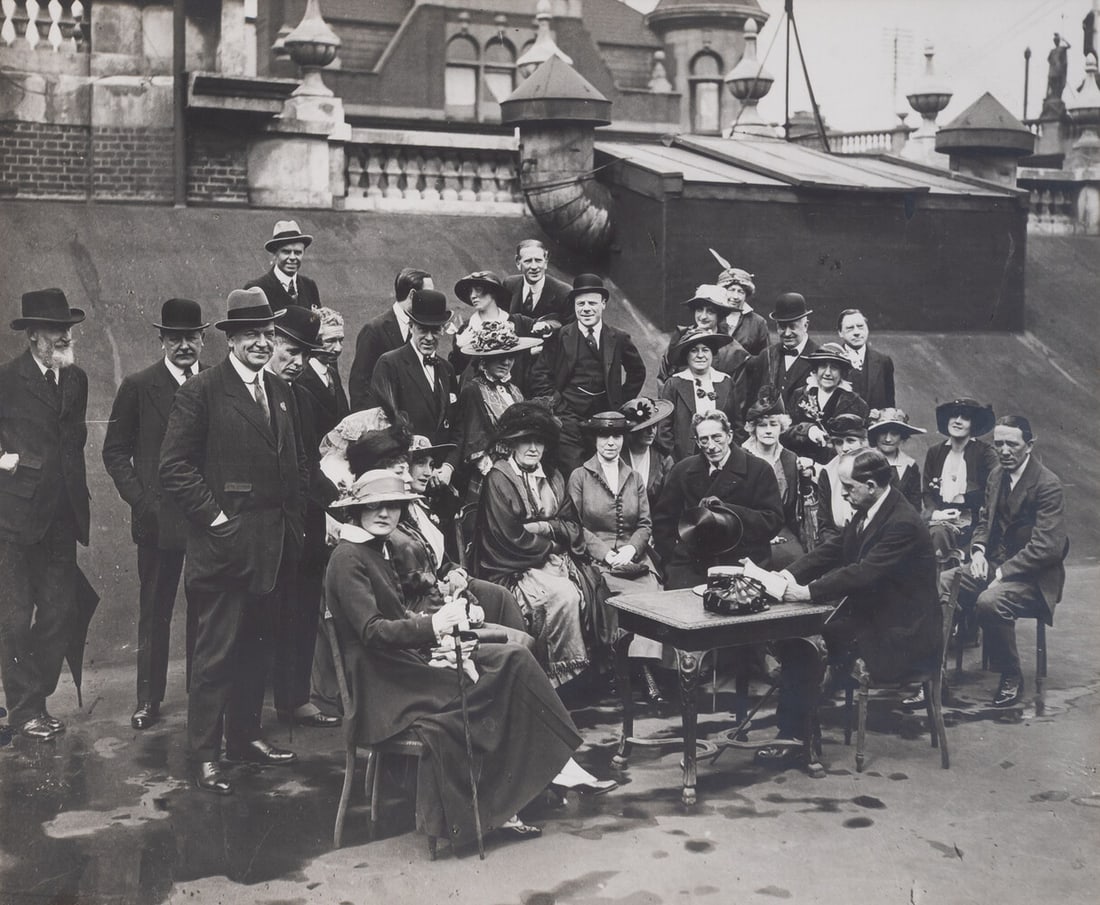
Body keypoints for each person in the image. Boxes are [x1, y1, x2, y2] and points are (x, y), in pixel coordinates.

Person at [324, 470, 614, 850]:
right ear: (356, 510)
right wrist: (433, 627)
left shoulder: (374, 549)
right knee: (495, 681)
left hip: (401, 665)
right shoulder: (348, 558)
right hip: (384, 686)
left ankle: (552, 769)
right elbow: (373, 631)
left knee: (514, 658)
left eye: (392, 506)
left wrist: (443, 627)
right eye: (374, 506)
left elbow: (393, 615)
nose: (384, 514)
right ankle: (511, 798)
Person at [160, 287, 308, 795]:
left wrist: (295, 520)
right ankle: (204, 754)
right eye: (251, 335)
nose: (262, 342)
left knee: (258, 650)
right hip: (224, 549)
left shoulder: (281, 390)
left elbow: (296, 461)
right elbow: (174, 468)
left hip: (273, 547)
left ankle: (245, 739)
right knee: (216, 657)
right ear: (230, 340)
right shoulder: (202, 391)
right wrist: (219, 520)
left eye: (267, 333)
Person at [758, 449, 941, 763]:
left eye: (848, 487)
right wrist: (787, 575)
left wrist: (806, 592)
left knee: (804, 645)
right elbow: (835, 548)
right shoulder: (875, 506)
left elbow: (863, 572)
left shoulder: (902, 523)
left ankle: (796, 734)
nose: (842, 493)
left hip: (902, 635)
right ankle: (801, 724)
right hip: (878, 617)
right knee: (799, 640)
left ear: (870, 485)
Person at [102, 298, 208, 731]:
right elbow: (114, 452)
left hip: (205, 519)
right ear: (162, 340)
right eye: (175, 338)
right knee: (155, 610)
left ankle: (203, 696)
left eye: (191, 337)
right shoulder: (139, 385)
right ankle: (148, 699)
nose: (184, 346)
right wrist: (141, 501)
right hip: (158, 520)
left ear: (203, 339)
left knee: (206, 610)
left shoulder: (215, 382)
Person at [0, 288, 90, 741]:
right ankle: (25, 710)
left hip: (62, 516)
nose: (65, 336)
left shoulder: (77, 379)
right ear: (33, 335)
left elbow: (74, 442)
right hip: (14, 520)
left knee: (61, 613)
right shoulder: (6, 379)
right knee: (15, 619)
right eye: (55, 330)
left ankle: (32, 696)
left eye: (67, 328)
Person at [944, 416, 1067, 708]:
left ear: (1029, 445)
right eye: (998, 444)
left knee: (990, 601)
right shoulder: (996, 475)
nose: (1004, 450)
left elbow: (1047, 547)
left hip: (1034, 579)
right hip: (995, 566)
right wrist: (977, 552)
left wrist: (1001, 572)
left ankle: (1011, 675)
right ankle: (932, 671)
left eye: (1012, 444)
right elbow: (985, 521)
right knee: (944, 581)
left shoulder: (1048, 484)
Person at [471, 401, 592, 687]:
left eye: (539, 442)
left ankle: (582, 675)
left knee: (592, 590)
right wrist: (551, 544)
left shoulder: (554, 477)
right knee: (564, 596)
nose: (533, 448)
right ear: (513, 444)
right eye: (526, 441)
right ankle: (555, 678)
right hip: (513, 565)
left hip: (555, 559)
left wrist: (544, 527)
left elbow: (572, 525)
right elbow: (506, 536)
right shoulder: (498, 478)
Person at [261, 306, 341, 729]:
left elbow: (310, 463)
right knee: (263, 618)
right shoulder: (253, 394)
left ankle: (295, 699)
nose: (297, 363)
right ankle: (248, 715)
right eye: (290, 352)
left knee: (303, 608)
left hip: (306, 522)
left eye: (304, 355)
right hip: (266, 527)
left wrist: (340, 502)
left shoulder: (303, 398)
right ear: (270, 343)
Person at [567, 412, 666, 703]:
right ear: (595, 439)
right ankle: (617, 667)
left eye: (617, 436)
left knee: (651, 592)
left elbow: (645, 524)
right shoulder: (580, 476)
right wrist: (606, 554)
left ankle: (644, 668)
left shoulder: (634, 477)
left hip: (633, 557)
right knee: (606, 594)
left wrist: (632, 549)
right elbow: (575, 525)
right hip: (596, 558)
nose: (611, 442)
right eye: (604, 436)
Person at [528, 273, 646, 475]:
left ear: (603, 304)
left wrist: (619, 401)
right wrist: (556, 403)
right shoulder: (560, 336)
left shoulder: (618, 338)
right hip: (568, 418)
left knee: (603, 471)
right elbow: (539, 374)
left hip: (604, 418)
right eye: (580, 304)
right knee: (573, 471)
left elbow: (637, 371)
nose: (586, 309)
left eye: (592, 303)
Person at [652, 411, 784, 589]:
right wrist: (673, 556)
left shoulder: (759, 469)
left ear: (729, 436)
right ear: (697, 442)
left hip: (742, 560)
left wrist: (728, 511)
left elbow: (772, 520)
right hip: (692, 562)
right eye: (704, 440)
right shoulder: (682, 470)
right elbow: (663, 521)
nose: (711, 446)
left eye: (717, 437)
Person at [452, 321, 540, 561]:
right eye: (499, 357)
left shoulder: (515, 391)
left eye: (510, 356)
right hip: (488, 473)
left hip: (518, 469)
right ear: (484, 360)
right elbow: (473, 439)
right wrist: (496, 475)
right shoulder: (473, 390)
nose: (506, 362)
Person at [367, 289, 460, 484]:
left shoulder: (447, 369)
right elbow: (382, 426)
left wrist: (448, 466)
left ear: (443, 329)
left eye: (435, 330)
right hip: (406, 475)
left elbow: (456, 425)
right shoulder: (389, 363)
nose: (429, 337)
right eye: (422, 329)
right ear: (410, 326)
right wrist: (415, 469)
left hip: (441, 477)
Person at [922, 397, 998, 566]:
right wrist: (935, 513)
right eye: (954, 416)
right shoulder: (935, 452)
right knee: (935, 536)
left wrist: (965, 498)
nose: (957, 421)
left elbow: (994, 489)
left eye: (965, 417)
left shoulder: (985, 453)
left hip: (975, 523)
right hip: (940, 521)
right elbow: (927, 492)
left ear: (973, 424)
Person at [348, 267, 433, 410]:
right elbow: (359, 386)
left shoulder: (425, 329)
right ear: (412, 294)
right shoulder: (374, 330)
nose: (432, 300)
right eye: (429, 294)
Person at [658, 327, 744, 462]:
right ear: (686, 355)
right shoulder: (674, 383)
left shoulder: (725, 382)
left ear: (712, 354)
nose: (700, 355)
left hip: (721, 456)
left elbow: (737, 424)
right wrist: (675, 459)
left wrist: (730, 455)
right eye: (694, 350)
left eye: (705, 350)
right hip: (684, 459)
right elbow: (663, 428)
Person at [449, 271, 538, 395]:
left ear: (493, 291)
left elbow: (551, 329)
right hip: (476, 396)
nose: (473, 296)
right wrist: (459, 348)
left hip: (514, 392)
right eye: (470, 291)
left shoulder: (519, 322)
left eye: (478, 290)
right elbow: (455, 369)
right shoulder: (466, 329)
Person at [741, 388, 802, 569]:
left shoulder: (790, 458)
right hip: (746, 530)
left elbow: (790, 510)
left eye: (773, 424)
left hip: (782, 529)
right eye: (762, 425)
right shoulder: (741, 457)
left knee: (796, 560)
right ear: (753, 428)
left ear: (781, 428)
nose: (768, 430)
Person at [780, 343, 870, 464]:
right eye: (823, 366)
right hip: (800, 463)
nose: (827, 373)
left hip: (838, 466)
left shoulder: (856, 403)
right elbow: (784, 433)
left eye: (834, 367)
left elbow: (860, 445)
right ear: (815, 370)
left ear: (842, 372)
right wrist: (807, 430)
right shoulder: (800, 395)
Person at [656, 285, 752, 391]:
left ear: (720, 315)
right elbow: (663, 378)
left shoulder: (733, 351)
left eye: (710, 312)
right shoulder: (680, 338)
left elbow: (736, 393)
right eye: (699, 310)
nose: (703, 316)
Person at [757, 292, 819, 408]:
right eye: (782, 326)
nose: (787, 333)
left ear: (806, 326)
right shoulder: (766, 355)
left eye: (792, 326)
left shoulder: (819, 357)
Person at [296, 306, 349, 439]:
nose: (338, 348)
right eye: (330, 341)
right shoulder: (299, 376)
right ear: (314, 341)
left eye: (341, 340)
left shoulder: (332, 373)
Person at [814, 414, 868, 545]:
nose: (844, 448)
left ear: (863, 442)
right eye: (839, 442)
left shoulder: (877, 469)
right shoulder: (828, 473)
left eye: (851, 441)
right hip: (837, 543)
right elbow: (825, 525)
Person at [245, 219, 320, 310]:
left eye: (297, 252)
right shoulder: (256, 288)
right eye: (286, 252)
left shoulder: (309, 286)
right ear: (274, 254)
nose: (292, 257)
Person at [619, 396, 676, 515]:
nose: (651, 432)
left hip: (655, 519)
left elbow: (668, 501)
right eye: (645, 428)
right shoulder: (618, 457)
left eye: (654, 426)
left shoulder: (664, 460)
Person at [502, 238, 574, 331]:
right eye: (528, 261)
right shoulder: (509, 285)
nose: (534, 267)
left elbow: (569, 332)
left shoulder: (564, 293)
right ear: (518, 262)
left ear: (546, 261)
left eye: (538, 260)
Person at [836, 309, 895, 410]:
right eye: (850, 328)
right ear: (840, 332)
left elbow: (890, 405)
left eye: (860, 326)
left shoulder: (883, 361)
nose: (857, 332)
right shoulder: (833, 361)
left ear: (867, 329)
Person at [867, 407, 923, 512]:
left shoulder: (910, 465)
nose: (888, 439)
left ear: (902, 436)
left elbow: (915, 506)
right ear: (876, 434)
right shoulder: (865, 460)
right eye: (883, 432)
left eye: (894, 434)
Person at [716, 265, 770, 357]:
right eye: (731, 290)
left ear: (746, 295)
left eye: (741, 292)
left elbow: (765, 357)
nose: (735, 296)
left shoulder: (758, 322)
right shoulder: (713, 317)